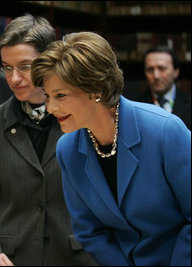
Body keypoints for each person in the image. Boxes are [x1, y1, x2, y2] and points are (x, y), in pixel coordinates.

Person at [31, 31, 191, 266]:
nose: (51, 107)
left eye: (60, 95)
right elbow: (90, 232)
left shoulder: (165, 130)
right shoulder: (68, 149)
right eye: (47, 96)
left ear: (96, 90)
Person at [0, 14, 97, 266]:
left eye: (25, 66)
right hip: (12, 258)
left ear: (49, 61)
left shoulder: (82, 119)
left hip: (76, 257)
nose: (14, 78)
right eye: (6, 67)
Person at [132, 46, 191, 129]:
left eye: (162, 68)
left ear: (176, 72)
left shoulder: (188, 104)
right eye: (150, 69)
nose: (156, 76)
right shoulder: (135, 108)